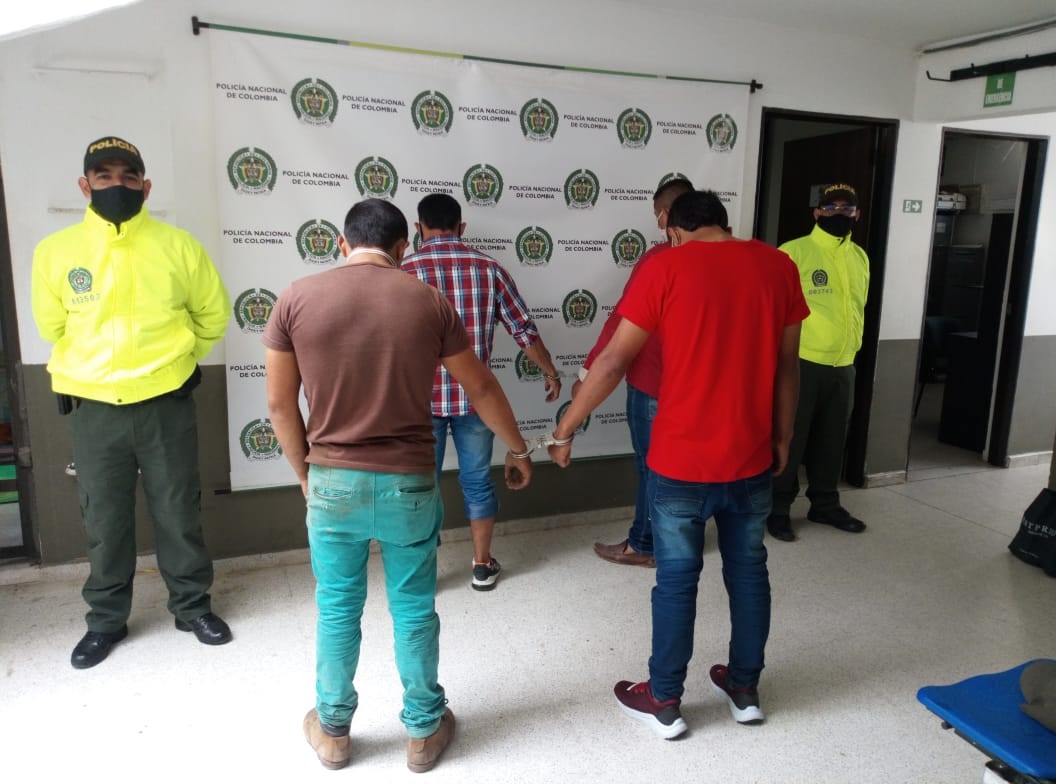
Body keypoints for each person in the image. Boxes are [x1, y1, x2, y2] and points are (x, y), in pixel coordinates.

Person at [263, 198, 533, 772]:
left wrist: (307, 475)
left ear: (342, 244)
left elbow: (280, 406)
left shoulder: (295, 298)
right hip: (408, 484)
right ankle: (423, 731)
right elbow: (481, 388)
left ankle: (333, 730)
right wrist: (517, 447)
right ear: (403, 247)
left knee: (337, 608)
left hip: (332, 482)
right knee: (413, 609)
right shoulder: (427, 300)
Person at [548, 190, 808, 739]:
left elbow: (614, 360)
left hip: (679, 462)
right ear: (723, 224)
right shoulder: (778, 266)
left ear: (674, 230)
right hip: (751, 456)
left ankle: (665, 699)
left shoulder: (665, 267)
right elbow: (788, 366)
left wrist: (565, 428)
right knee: (749, 572)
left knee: (676, 581)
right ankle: (744, 689)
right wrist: (783, 436)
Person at [31, 136, 233, 670]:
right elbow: (52, 326)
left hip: (165, 401)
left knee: (178, 511)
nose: (116, 185)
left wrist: (174, 361)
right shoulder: (55, 252)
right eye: (104, 176)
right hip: (95, 408)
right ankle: (105, 621)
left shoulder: (178, 246)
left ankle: (192, 608)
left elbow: (213, 315)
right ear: (85, 185)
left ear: (146, 187)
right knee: (104, 519)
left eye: (128, 176)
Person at [402, 192, 561, 591]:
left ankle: (423, 575)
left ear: (418, 228)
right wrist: (550, 371)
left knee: (421, 487)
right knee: (476, 482)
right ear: (462, 227)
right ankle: (482, 565)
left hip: (419, 403)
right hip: (477, 402)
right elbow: (524, 331)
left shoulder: (403, 271)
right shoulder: (489, 269)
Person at [575, 177, 694, 568]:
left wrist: (586, 373)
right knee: (686, 466)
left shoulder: (657, 260)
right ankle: (681, 538)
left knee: (651, 467)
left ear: (666, 216)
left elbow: (620, 323)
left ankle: (644, 543)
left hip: (653, 386)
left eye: (657, 215)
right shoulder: (733, 260)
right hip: (699, 390)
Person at [767, 183, 870, 543]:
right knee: (790, 437)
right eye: (830, 208)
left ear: (857, 214)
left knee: (832, 439)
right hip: (802, 363)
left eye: (847, 208)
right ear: (816, 213)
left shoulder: (859, 257)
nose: (839, 214)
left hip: (844, 364)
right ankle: (777, 509)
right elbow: (773, 311)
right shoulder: (793, 252)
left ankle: (825, 504)